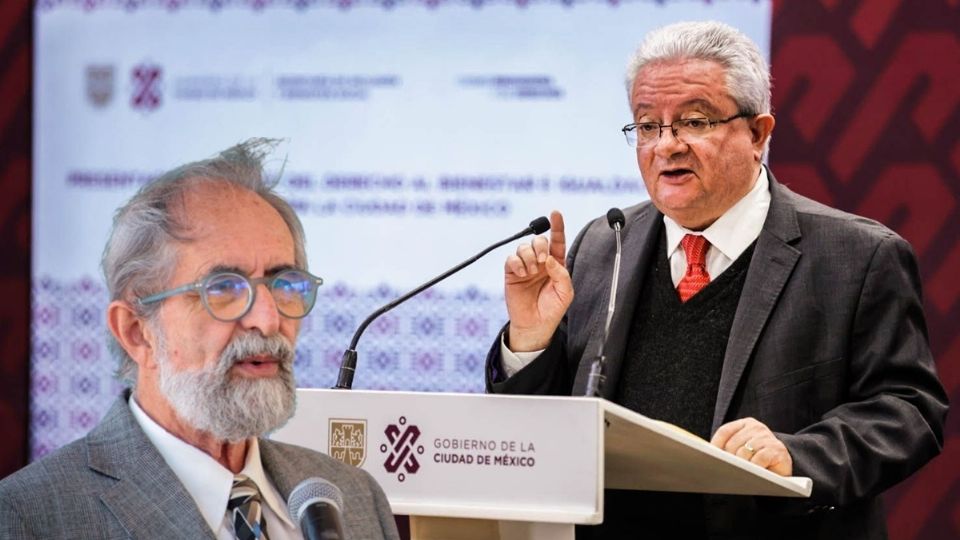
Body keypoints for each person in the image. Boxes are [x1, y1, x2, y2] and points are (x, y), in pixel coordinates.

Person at [485, 21, 948, 539]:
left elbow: (908, 411)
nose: (667, 146)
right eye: (647, 125)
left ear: (758, 134)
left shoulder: (857, 256)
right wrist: (530, 342)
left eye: (695, 121)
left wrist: (796, 456)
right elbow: (542, 432)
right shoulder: (603, 244)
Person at [0, 139, 400, 539]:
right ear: (137, 332)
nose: (267, 320)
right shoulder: (29, 517)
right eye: (223, 288)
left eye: (284, 284)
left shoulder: (355, 498)